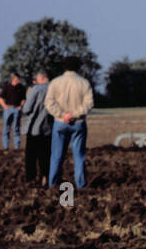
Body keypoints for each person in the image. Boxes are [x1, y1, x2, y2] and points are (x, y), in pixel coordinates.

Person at [45, 56, 94, 190]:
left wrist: (62, 114)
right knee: (79, 156)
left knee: (56, 155)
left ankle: (53, 184)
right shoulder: (84, 83)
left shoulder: (55, 82)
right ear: (78, 67)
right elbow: (89, 103)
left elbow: (49, 103)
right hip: (78, 123)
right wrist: (75, 114)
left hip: (60, 123)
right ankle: (81, 185)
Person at [20, 71, 53, 185]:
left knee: (31, 156)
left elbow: (27, 109)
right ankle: (46, 177)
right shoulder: (56, 88)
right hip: (49, 128)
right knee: (46, 155)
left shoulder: (37, 89)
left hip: (34, 128)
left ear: (42, 78)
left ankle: (31, 179)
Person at [0, 72, 26, 150]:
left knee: (16, 128)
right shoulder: (7, 87)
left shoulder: (21, 87)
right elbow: (0, 98)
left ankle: (17, 147)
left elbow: (23, 99)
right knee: (6, 128)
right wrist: (4, 106)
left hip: (17, 109)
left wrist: (20, 106)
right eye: (17, 79)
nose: (18, 80)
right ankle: (5, 147)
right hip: (8, 110)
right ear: (13, 79)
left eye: (19, 79)